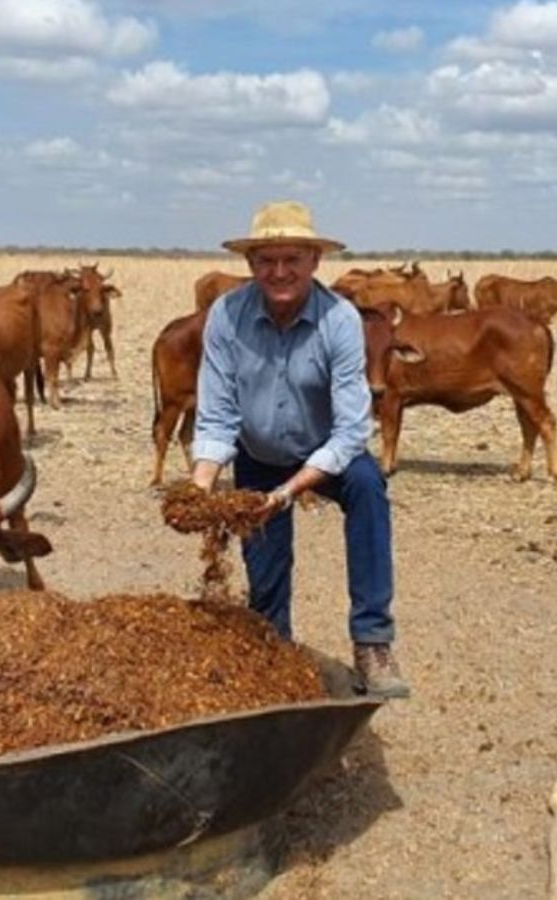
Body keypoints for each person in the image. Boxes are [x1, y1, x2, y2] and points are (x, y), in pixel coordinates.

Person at [189, 199, 409, 700]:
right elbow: (218, 415)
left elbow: (353, 429)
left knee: (369, 488)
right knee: (264, 576)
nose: (280, 271)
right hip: (260, 455)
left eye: (292, 259)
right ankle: (275, 652)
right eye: (267, 260)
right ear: (250, 265)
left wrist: (291, 490)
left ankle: (372, 642)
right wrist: (200, 483)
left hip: (327, 451)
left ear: (314, 261)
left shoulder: (340, 320)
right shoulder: (226, 316)